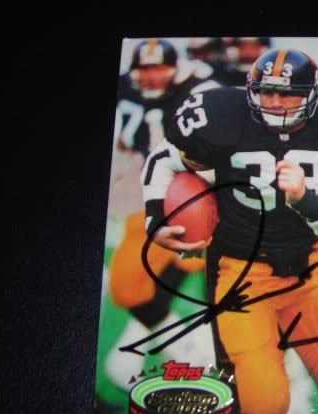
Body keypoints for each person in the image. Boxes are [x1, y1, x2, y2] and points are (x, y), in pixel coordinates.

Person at [141, 49, 318, 414]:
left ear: (312, 95)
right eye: (266, 91)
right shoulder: (221, 115)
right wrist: (154, 220)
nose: (274, 102)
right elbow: (165, 158)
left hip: (312, 268)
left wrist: (306, 200)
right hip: (241, 272)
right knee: (262, 410)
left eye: (287, 93)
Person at [105, 39, 219, 391]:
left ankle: (204, 355)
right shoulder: (126, 89)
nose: (151, 77)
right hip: (150, 196)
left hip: (199, 194)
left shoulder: (201, 90)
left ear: (176, 67)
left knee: (211, 282)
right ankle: (189, 347)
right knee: (126, 287)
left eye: (159, 68)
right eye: (144, 69)